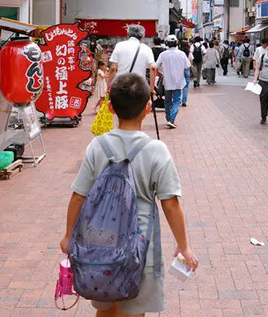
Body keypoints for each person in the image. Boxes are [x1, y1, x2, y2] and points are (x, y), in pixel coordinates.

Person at [61, 73, 199, 315]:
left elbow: (78, 196)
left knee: (106, 306)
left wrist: (68, 236)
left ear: (111, 107)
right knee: (134, 310)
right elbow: (171, 204)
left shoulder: (98, 145)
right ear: (148, 107)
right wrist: (183, 246)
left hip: (99, 245)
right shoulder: (156, 150)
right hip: (140, 247)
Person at [152, 35, 191, 129]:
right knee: (177, 101)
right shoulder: (181, 54)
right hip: (178, 81)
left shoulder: (163, 54)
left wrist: (159, 74)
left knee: (168, 101)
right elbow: (187, 67)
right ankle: (171, 119)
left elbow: (155, 67)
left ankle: (168, 118)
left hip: (167, 81)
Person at [109, 25, 157, 95]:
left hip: (120, 85)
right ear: (142, 36)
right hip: (139, 86)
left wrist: (109, 85)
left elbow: (113, 68)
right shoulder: (146, 49)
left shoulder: (119, 45)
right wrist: (151, 88)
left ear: (128, 34)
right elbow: (153, 68)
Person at [179, 40, 192, 107]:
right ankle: (184, 101)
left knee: (178, 86)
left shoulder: (179, 52)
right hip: (187, 70)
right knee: (186, 86)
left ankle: (178, 99)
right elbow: (191, 62)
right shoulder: (189, 53)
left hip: (179, 70)